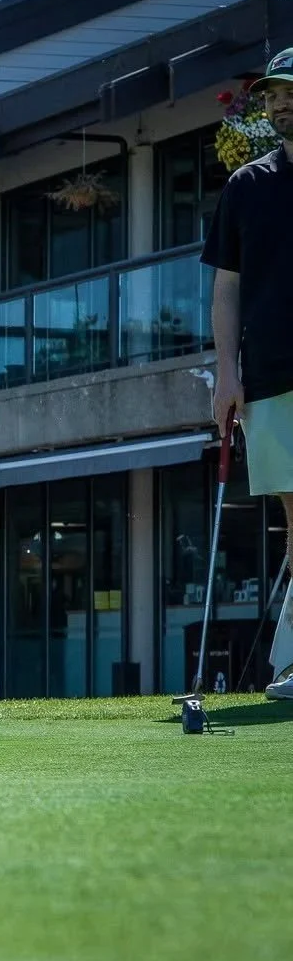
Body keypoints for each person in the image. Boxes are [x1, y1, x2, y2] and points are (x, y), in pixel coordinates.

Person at [205, 47, 293, 700]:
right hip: (269, 375)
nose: (278, 104)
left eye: (286, 93)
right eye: (270, 96)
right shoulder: (246, 186)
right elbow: (226, 290)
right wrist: (225, 374)